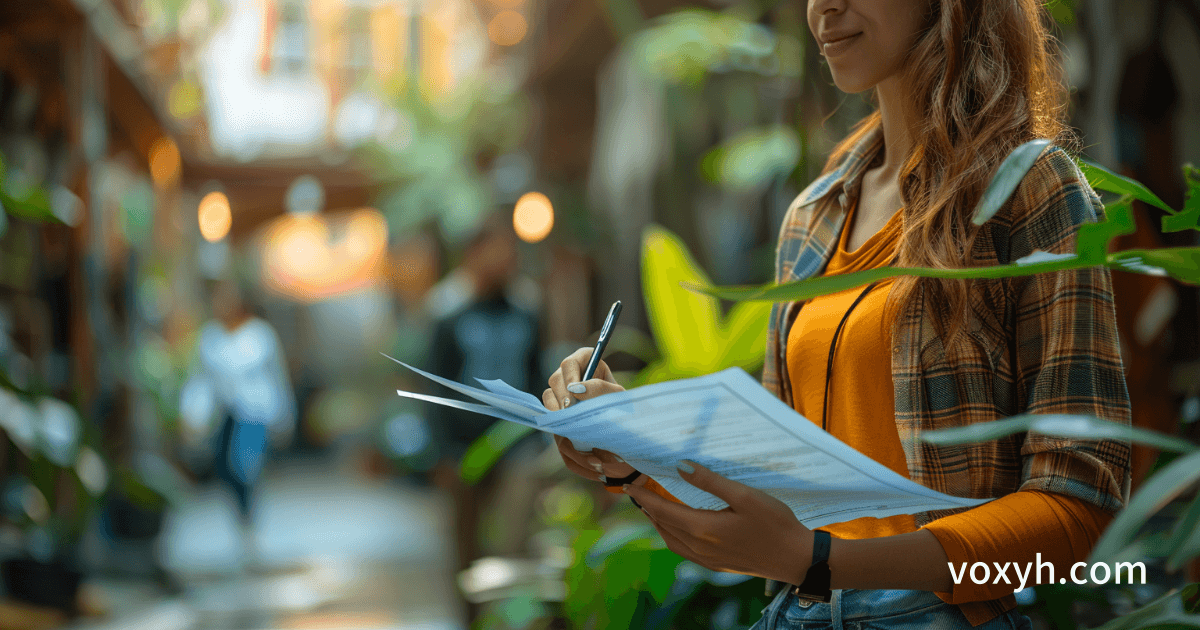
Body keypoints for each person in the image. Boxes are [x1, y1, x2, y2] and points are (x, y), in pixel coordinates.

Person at [543, 0, 1131, 629]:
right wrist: (628, 452)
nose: (823, 7)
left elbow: (1079, 507)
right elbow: (773, 512)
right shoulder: (811, 218)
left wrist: (826, 562)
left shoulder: (1028, 188)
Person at [180, 278, 295, 565]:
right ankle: (242, 520)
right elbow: (200, 380)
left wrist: (284, 415)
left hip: (254, 414)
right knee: (227, 470)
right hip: (224, 415)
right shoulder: (210, 338)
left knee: (245, 468)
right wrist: (192, 415)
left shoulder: (260, 335)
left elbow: (276, 377)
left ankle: (249, 522)